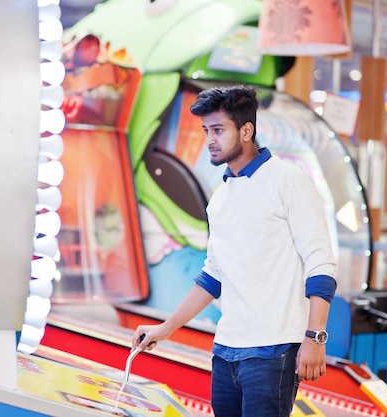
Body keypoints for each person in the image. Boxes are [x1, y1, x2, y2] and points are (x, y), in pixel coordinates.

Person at [131, 85, 338, 417]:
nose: (209, 139)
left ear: (246, 130)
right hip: (225, 351)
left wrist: (315, 337)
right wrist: (164, 329)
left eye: (218, 130)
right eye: (206, 131)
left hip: (273, 352)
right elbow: (213, 276)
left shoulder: (289, 181)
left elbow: (321, 263)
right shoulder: (221, 198)